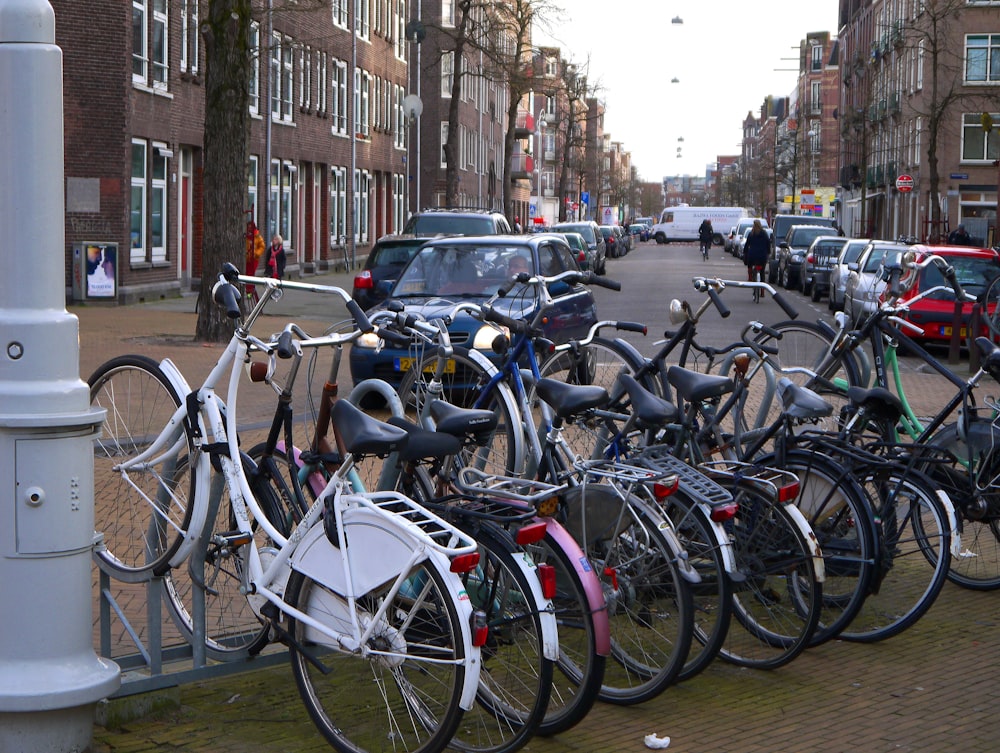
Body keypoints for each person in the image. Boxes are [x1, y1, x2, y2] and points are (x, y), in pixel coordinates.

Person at [743, 220, 771, 285]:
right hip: (762, 256)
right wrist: (768, 252)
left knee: (749, 265)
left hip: (752, 256)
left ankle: (750, 277)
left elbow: (747, 245)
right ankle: (762, 291)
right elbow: (768, 244)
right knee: (762, 272)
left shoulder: (751, 234)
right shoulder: (764, 234)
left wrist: (745, 252)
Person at [245, 226, 265, 302]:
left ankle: (250, 291)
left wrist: (256, 253)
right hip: (247, 259)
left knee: (251, 274)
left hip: (254, 259)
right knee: (246, 274)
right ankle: (247, 290)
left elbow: (262, 247)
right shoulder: (246, 236)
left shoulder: (257, 237)